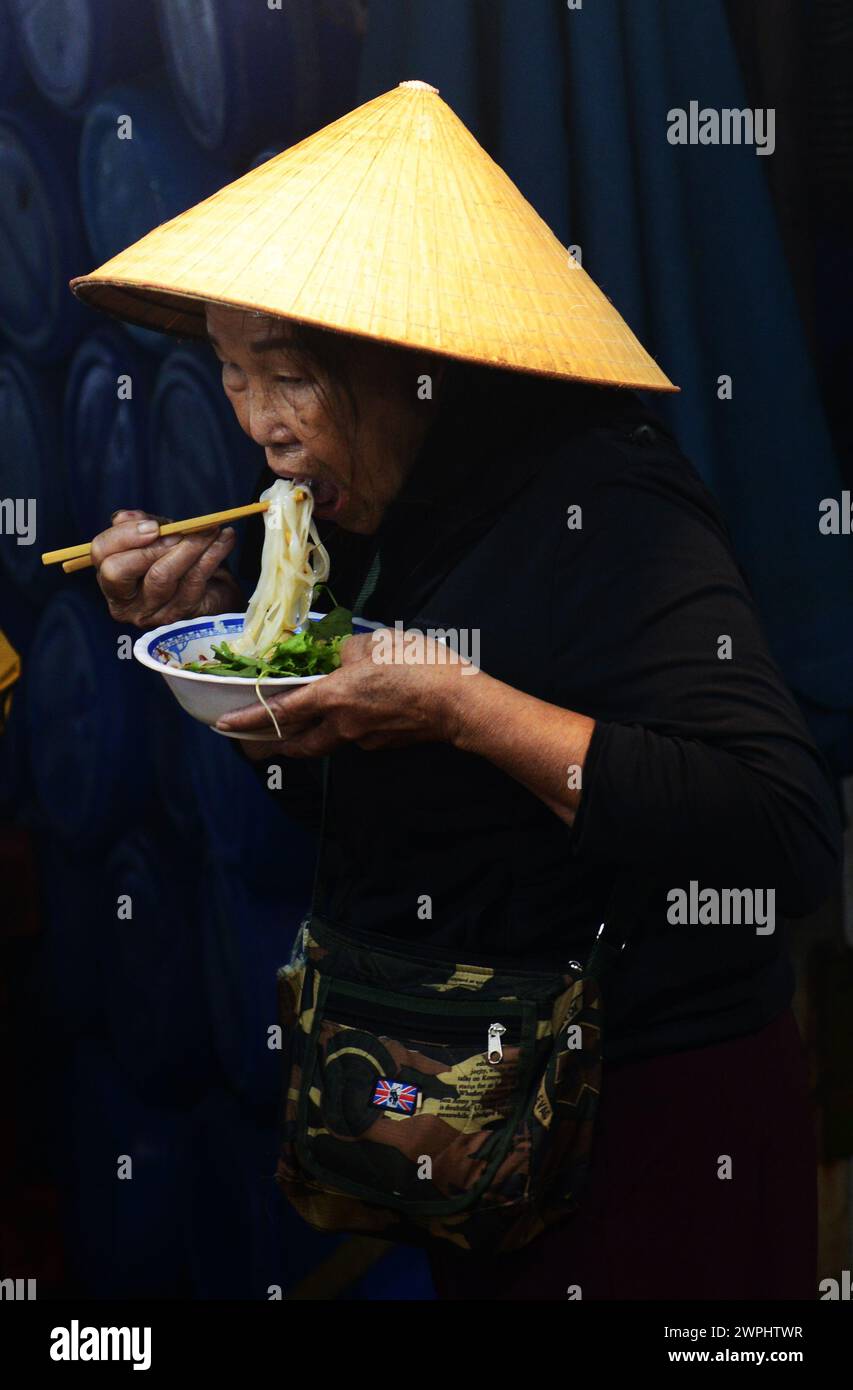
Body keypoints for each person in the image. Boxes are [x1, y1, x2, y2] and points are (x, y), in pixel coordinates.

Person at [77, 82, 841, 1300]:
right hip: (473, 1124)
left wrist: (462, 705)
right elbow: (367, 820)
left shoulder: (605, 505)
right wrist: (218, 664)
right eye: (229, 372)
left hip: (650, 1122)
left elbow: (786, 832)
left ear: (409, 363)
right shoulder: (374, 518)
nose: (259, 426)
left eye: (287, 374)